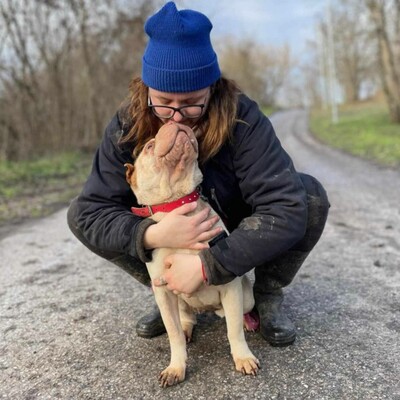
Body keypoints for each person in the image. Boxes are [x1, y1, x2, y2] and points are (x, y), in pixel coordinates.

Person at [67, 1, 329, 347]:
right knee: (79, 215)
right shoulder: (127, 124)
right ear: (146, 90)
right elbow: (89, 213)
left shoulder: (243, 119)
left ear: (212, 88)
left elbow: (286, 207)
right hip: (163, 228)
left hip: (232, 227)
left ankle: (266, 294)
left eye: (191, 102)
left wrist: (209, 264)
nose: (176, 116)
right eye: (163, 102)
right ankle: (171, 291)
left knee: (308, 197)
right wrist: (150, 234)